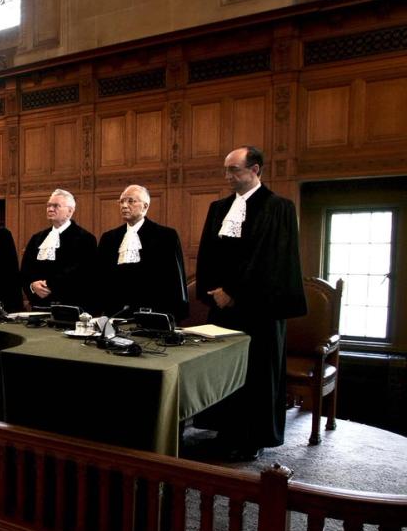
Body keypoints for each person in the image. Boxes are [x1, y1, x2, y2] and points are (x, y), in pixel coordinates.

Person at [194, 145, 306, 460]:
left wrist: (234, 291)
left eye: (234, 169)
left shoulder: (279, 207)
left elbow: (271, 259)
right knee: (223, 371)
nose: (228, 176)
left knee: (256, 374)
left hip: (260, 308)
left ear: (255, 169)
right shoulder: (218, 208)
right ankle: (223, 432)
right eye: (226, 170)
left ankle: (251, 440)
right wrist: (215, 291)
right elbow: (208, 254)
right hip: (222, 307)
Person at [95, 185, 188, 321]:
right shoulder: (109, 238)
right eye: (121, 201)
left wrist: (173, 315)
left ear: (145, 206)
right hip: (115, 312)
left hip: (153, 313)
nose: (124, 205)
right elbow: (100, 278)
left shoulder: (165, 236)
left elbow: (173, 278)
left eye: (131, 201)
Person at [20, 189, 97, 310]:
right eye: (48, 205)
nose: (50, 209)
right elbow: (26, 270)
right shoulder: (37, 238)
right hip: (38, 305)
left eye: (56, 206)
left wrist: (50, 285)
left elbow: (81, 273)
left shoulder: (85, 238)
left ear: (70, 211)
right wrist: (32, 286)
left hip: (69, 306)